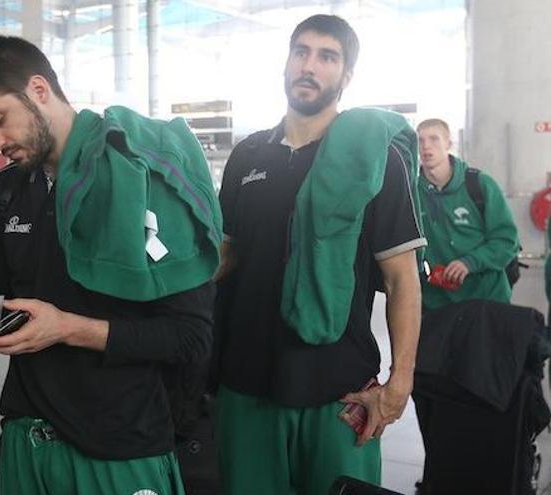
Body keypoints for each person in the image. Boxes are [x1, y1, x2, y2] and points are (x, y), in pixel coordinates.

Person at [0, 36, 220, 495]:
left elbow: (190, 337)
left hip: (119, 448)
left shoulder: (143, 177)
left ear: (38, 90)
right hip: (26, 440)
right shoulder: (3, 193)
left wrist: (68, 328)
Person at [213, 14, 424, 495]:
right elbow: (228, 252)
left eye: (327, 57)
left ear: (345, 76)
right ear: (286, 62)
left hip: (338, 389)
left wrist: (399, 384)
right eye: (301, 52)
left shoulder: (373, 159)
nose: (309, 66)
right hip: (247, 382)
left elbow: (401, 280)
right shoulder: (249, 156)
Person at [416, 118, 519, 310]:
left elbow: (506, 240)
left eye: (434, 139)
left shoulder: (480, 185)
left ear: (449, 143)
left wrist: (470, 262)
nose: (426, 146)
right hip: (436, 305)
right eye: (420, 140)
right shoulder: (411, 193)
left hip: (486, 300)